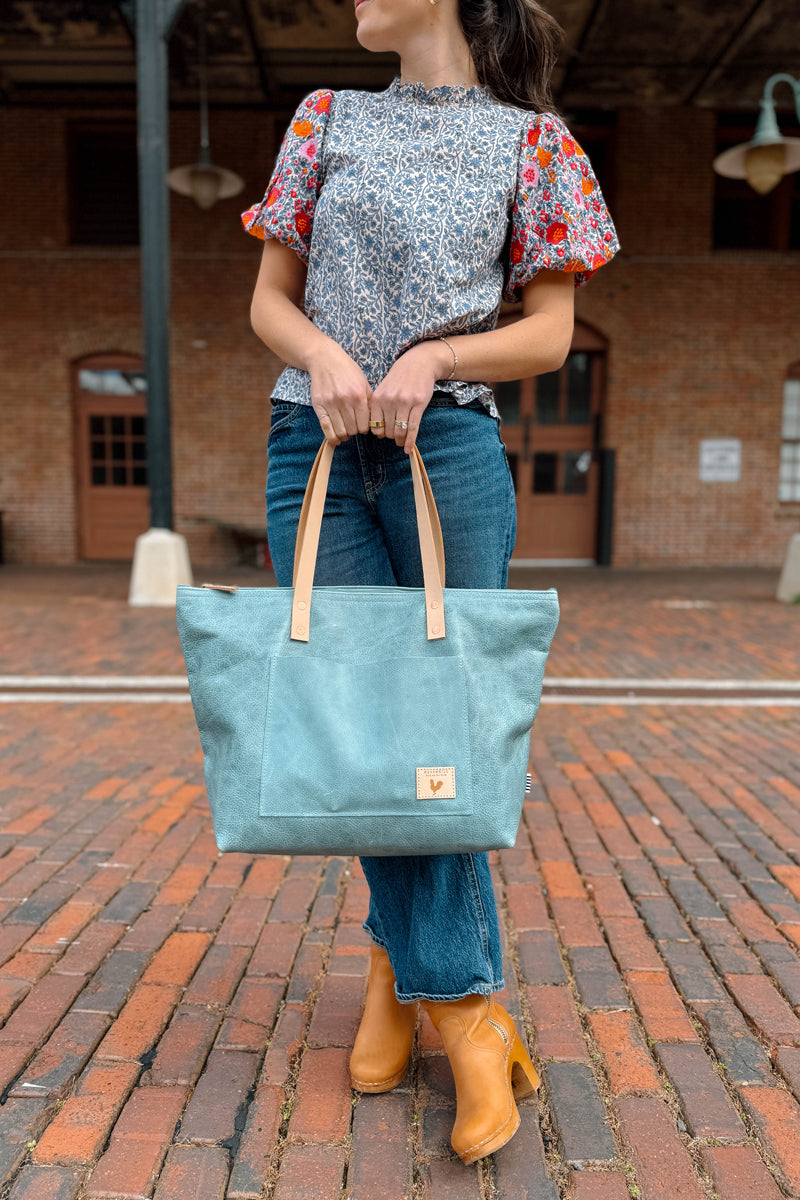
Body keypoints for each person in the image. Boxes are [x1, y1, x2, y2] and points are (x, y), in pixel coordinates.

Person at [241, 0, 619, 1165]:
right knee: (360, 723)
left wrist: (432, 354)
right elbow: (268, 301)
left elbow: (549, 333)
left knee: (436, 728)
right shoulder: (326, 116)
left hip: (445, 446)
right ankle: (450, 1001)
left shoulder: (532, 141)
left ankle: (431, 995)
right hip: (312, 443)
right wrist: (326, 356)